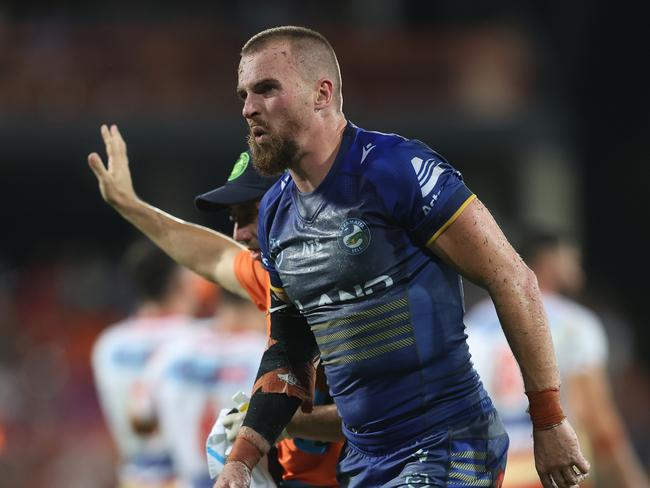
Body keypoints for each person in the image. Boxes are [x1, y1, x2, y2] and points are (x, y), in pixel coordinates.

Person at [217, 25, 590, 488]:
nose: (249, 107)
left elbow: (513, 278)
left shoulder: (397, 169)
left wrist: (549, 419)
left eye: (267, 89)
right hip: (363, 462)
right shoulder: (274, 213)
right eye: (244, 94)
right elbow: (289, 353)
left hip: (449, 445)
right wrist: (242, 456)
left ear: (321, 93)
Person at [87, 133, 343, 487]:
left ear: (292, 205)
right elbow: (212, 254)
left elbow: (388, 414)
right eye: (234, 220)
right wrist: (132, 207)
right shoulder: (275, 278)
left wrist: (271, 422)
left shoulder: (350, 295)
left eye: (249, 215)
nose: (238, 234)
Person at [465, 231, 650, 488]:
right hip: (555, 469)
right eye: (572, 259)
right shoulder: (574, 322)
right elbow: (596, 419)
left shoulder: (474, 324)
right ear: (548, 261)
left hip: (497, 473)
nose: (579, 271)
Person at [91, 239, 201, 487]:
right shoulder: (196, 340)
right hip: (186, 477)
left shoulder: (108, 344)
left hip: (134, 476)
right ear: (179, 283)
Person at [135, 289, 271, 488]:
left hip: (188, 480)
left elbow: (140, 419)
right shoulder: (264, 353)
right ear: (258, 304)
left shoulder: (172, 350)